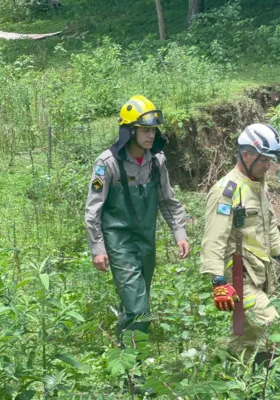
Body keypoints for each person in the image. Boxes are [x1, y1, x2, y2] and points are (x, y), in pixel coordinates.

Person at [84, 94, 190, 343]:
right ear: (129, 130)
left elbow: (167, 200)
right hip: (119, 243)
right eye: (144, 130)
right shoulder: (107, 163)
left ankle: (125, 364)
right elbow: (93, 210)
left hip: (146, 241)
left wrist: (180, 234)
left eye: (153, 130)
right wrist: (98, 248)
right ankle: (136, 368)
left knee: (136, 300)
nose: (150, 135)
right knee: (139, 308)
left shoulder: (157, 161)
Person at [199, 122, 280, 369]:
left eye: (270, 160)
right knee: (272, 323)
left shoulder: (258, 185)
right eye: (264, 160)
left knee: (245, 337)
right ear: (246, 155)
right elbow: (214, 238)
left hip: (259, 273)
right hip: (237, 278)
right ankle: (270, 380)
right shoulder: (227, 190)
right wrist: (217, 282)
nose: (269, 166)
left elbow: (269, 226)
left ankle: (214, 370)